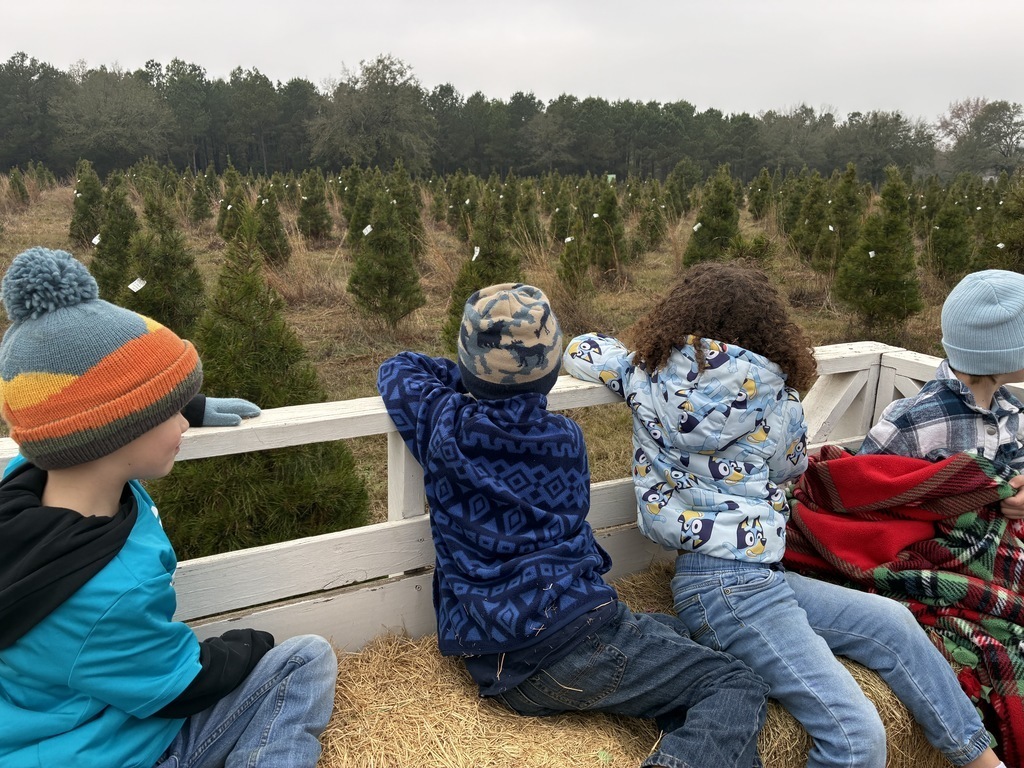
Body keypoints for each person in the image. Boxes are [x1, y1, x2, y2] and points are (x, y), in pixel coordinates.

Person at [562, 262, 1003, 768]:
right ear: (768, 327)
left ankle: (979, 760)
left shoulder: (644, 375)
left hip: (734, 581)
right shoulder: (778, 397)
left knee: (895, 624)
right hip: (732, 590)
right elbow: (789, 466)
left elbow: (583, 348)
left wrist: (633, 353)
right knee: (857, 739)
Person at [377, 282, 769, 768]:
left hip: (495, 660)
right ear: (549, 373)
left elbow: (397, 368)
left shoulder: (445, 423)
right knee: (736, 683)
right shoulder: (565, 440)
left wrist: (468, 379)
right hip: (566, 645)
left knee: (676, 635)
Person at [0, 247, 337, 768]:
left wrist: (190, 406)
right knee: (306, 658)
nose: (182, 425)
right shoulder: (105, 592)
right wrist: (249, 646)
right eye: (168, 411)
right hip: (121, 750)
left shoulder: (28, 486)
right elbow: (180, 686)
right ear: (114, 432)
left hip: (52, 732)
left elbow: (87, 413)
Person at [861, 268, 1024, 519]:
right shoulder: (909, 422)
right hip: (927, 550)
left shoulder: (1010, 411)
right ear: (1004, 352)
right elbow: (860, 488)